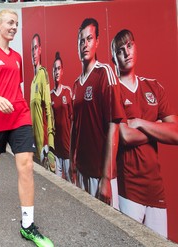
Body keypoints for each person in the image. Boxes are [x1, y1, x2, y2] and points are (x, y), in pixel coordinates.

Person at [0, 9, 53, 247]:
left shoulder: (17, 57)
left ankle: (27, 226)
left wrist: (14, 102)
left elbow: (13, 87)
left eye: (16, 24)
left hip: (19, 114)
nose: (14, 27)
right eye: (9, 22)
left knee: (26, 165)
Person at [111, 29, 178, 237]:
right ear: (113, 57)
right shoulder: (113, 91)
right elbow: (125, 136)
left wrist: (140, 122)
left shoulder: (154, 87)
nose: (126, 53)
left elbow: (176, 133)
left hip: (156, 190)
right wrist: (157, 126)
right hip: (129, 191)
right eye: (120, 50)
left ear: (135, 47)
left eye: (129, 46)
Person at [70, 18, 124, 208]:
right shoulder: (76, 84)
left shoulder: (105, 73)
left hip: (100, 175)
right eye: (81, 41)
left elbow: (113, 127)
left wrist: (107, 178)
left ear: (97, 42)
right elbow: (74, 128)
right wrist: (72, 163)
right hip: (81, 171)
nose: (85, 45)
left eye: (89, 39)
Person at [30, 33, 55, 171]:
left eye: (36, 48)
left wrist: (50, 144)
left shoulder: (42, 73)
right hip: (35, 145)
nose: (34, 52)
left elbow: (48, 109)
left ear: (40, 49)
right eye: (31, 49)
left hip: (44, 146)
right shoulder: (32, 82)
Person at [50, 52, 73, 182]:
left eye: (59, 69)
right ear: (52, 72)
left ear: (62, 71)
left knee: (70, 184)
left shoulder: (68, 92)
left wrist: (74, 149)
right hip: (56, 150)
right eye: (55, 69)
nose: (57, 72)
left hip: (68, 148)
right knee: (57, 183)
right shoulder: (50, 96)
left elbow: (74, 121)